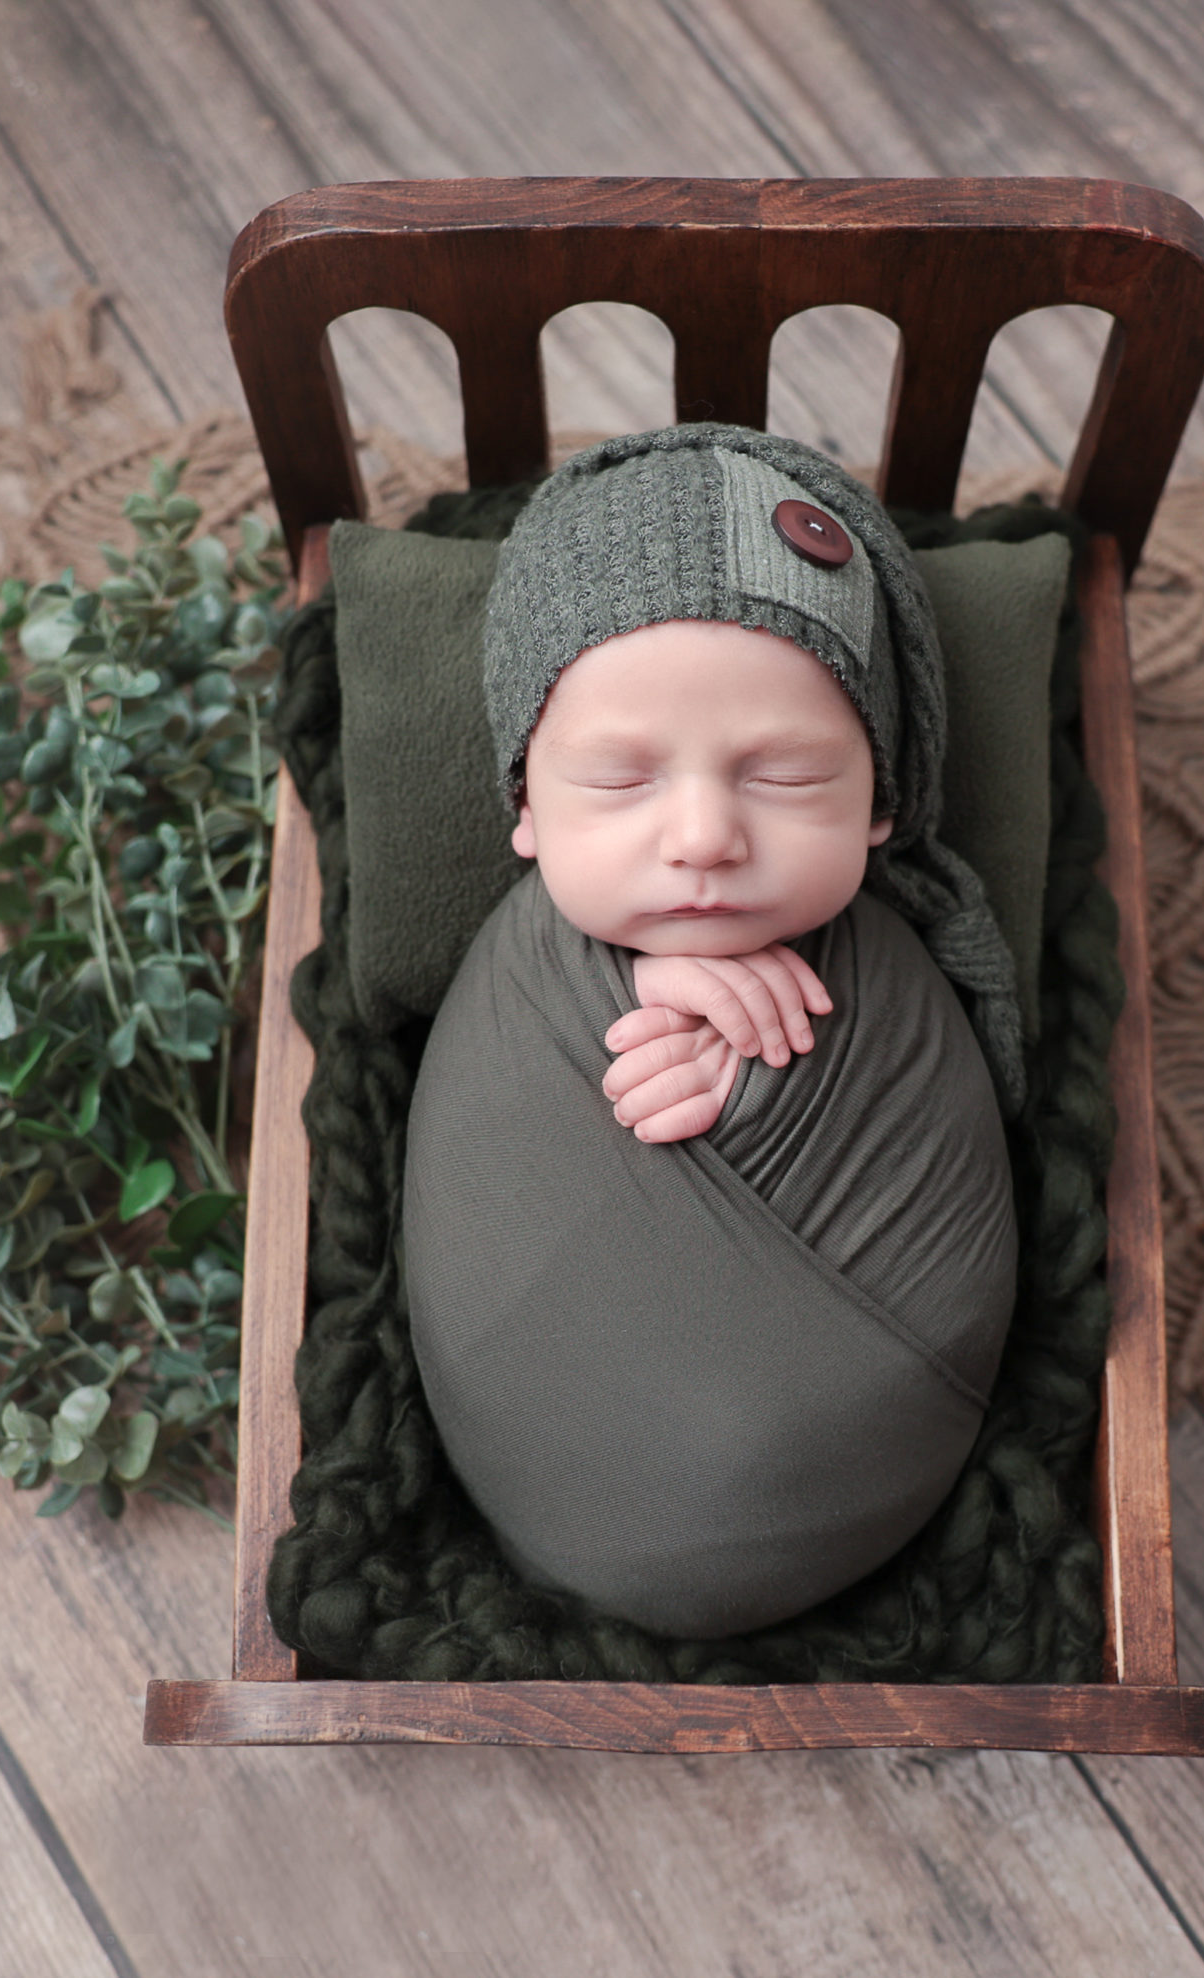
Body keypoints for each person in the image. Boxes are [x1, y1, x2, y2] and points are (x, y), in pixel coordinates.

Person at [401, 424, 1023, 1638]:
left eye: (783, 779)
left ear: (883, 800)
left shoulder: (894, 970)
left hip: (871, 1428)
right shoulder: (516, 975)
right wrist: (627, 1033)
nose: (702, 836)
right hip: (563, 1434)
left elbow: (956, 1136)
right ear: (522, 804)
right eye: (621, 781)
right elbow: (490, 1159)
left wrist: (781, 1077)